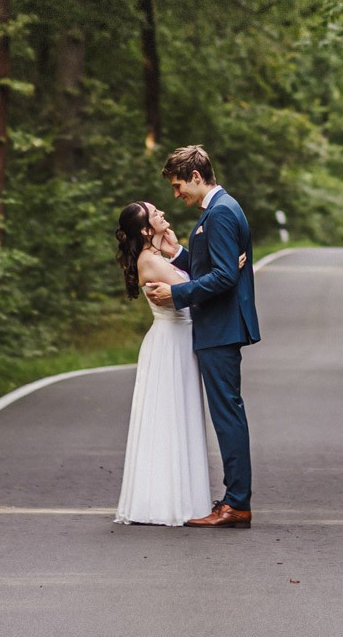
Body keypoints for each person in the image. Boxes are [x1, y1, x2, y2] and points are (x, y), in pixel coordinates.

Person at [143, 144, 260, 528]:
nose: (177, 196)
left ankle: (237, 504)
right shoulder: (218, 210)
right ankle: (234, 499)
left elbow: (225, 276)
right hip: (217, 325)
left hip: (221, 327)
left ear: (196, 176)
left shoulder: (222, 212)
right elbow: (213, 266)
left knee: (227, 414)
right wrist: (178, 253)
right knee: (226, 412)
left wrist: (176, 294)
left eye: (179, 186)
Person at [112, 200, 213, 526]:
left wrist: (175, 249)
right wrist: (233, 268)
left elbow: (191, 282)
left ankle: (179, 497)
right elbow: (200, 288)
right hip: (170, 343)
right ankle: (164, 502)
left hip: (179, 341)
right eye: (156, 215)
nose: (163, 216)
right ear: (145, 229)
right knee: (168, 417)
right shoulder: (150, 262)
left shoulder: (155, 258)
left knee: (177, 415)